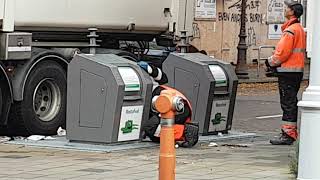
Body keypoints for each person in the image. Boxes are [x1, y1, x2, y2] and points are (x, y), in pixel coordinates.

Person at [265, 1, 306, 145]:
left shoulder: (290, 30)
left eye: (287, 8)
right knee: (291, 102)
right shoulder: (299, 28)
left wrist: (269, 61)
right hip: (296, 71)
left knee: (287, 103)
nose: (285, 9)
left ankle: (288, 134)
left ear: (292, 12)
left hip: (287, 72)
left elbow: (282, 53)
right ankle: (290, 132)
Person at [137, 61, 199, 147]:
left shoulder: (141, 73)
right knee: (155, 128)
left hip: (173, 104)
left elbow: (163, 78)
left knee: (151, 128)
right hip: (177, 103)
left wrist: (149, 69)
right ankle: (185, 132)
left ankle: (184, 133)